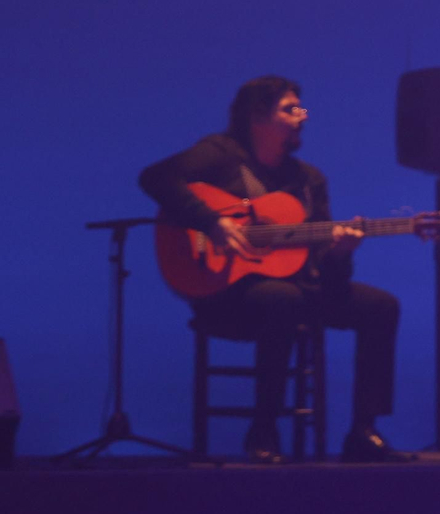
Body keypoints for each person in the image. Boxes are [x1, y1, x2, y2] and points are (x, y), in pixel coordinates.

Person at [139, 76, 412, 464]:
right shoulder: (220, 154)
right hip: (226, 292)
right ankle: (264, 428)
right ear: (257, 115)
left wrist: (339, 254)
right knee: (281, 299)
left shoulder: (308, 180)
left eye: (302, 109)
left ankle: (363, 432)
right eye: (290, 108)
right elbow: (155, 177)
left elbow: (324, 272)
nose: (302, 116)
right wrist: (211, 222)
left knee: (381, 306)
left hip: (297, 289)